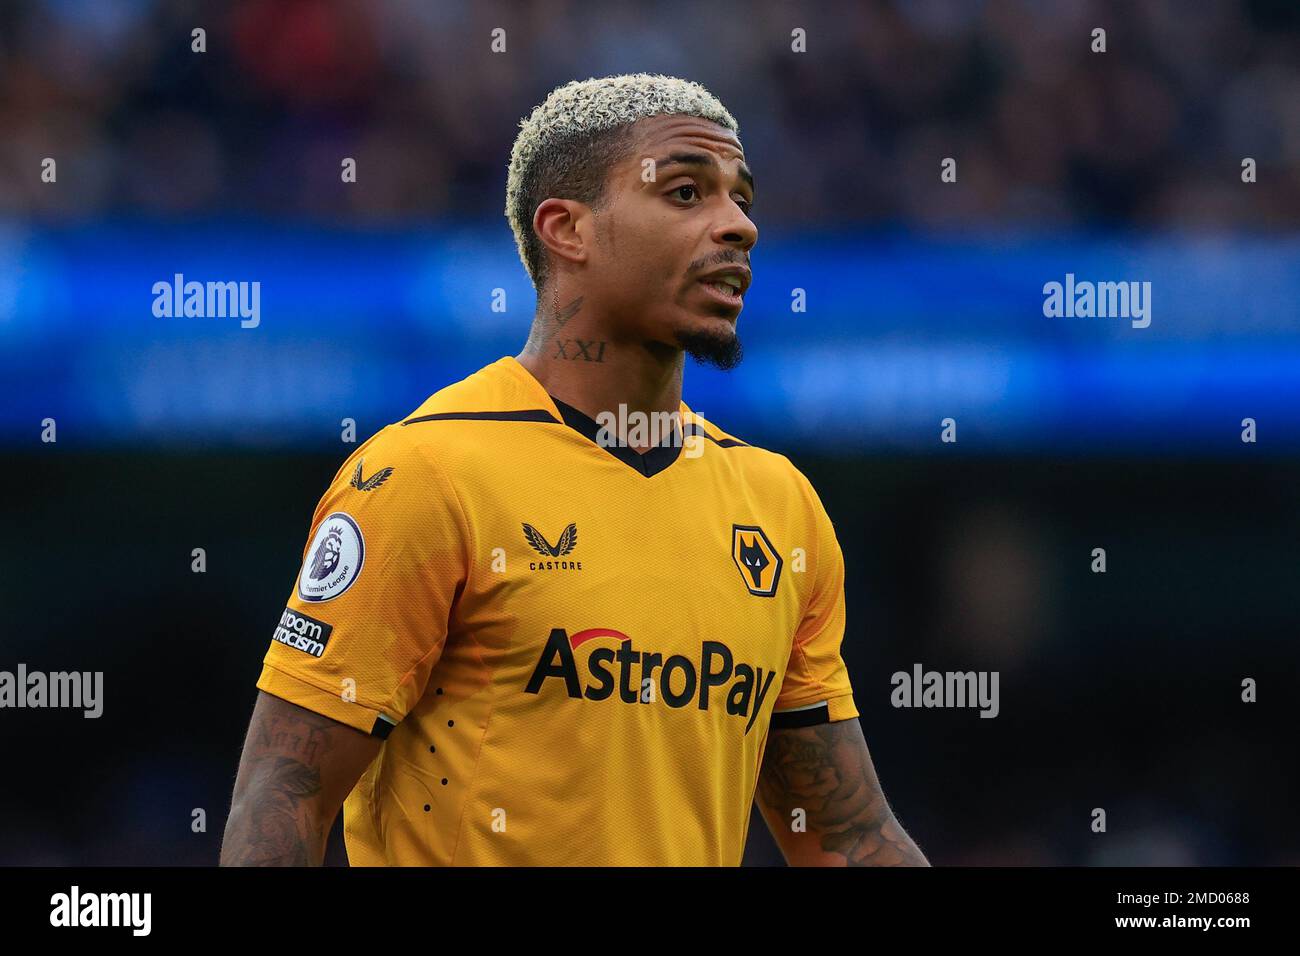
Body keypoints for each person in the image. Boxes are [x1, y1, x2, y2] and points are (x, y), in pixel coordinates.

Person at [220, 73, 927, 866]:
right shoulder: (429, 472)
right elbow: (283, 797)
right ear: (566, 229)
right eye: (688, 193)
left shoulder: (779, 507)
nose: (737, 227)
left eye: (742, 201)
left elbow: (847, 836)